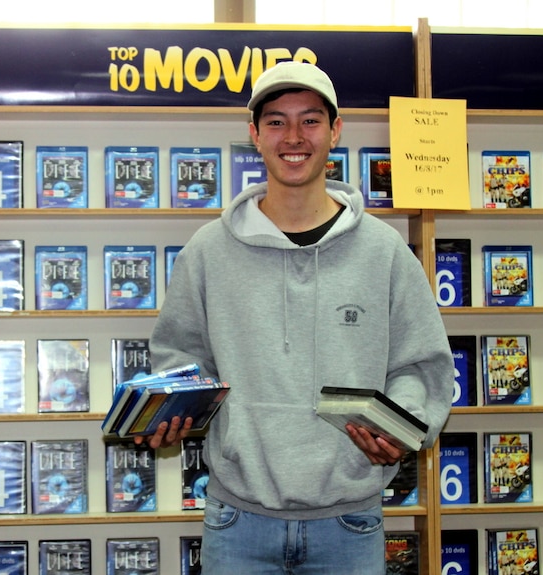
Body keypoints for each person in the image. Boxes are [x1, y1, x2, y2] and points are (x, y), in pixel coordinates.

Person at [141, 61, 454, 574]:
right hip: (236, 521)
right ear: (254, 135)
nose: (294, 137)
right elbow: (179, 357)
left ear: (335, 132)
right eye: (276, 122)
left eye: (310, 121)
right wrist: (168, 410)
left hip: (349, 523)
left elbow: (421, 366)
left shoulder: (385, 251)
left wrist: (402, 427)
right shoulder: (207, 251)